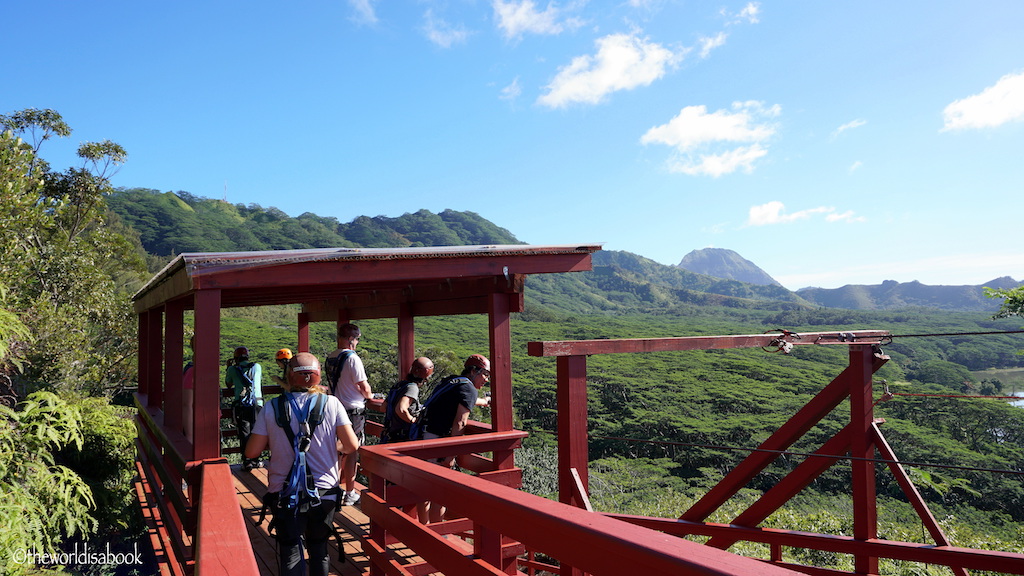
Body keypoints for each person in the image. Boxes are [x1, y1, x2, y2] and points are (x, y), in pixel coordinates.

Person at [245, 353, 359, 576]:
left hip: (284, 494)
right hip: (324, 493)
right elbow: (352, 445)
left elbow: (252, 451)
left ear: (289, 376)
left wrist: (279, 442)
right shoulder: (332, 403)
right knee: (319, 549)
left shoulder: (272, 407)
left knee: (290, 552)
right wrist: (331, 448)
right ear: (317, 377)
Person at [417, 354, 491, 523]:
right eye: (485, 374)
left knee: (425, 487)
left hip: (422, 437)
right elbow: (460, 422)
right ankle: (436, 535)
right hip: (438, 441)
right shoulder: (468, 389)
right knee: (440, 492)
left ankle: (423, 527)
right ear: (473, 371)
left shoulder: (452, 381)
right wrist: (451, 455)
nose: (486, 379)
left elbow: (461, 398)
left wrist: (484, 401)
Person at [325, 323, 371, 506]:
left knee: (335, 451)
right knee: (352, 451)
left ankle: (331, 489)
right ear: (352, 339)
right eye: (357, 339)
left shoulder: (330, 357)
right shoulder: (353, 358)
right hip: (353, 412)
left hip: (335, 408)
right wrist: (371, 396)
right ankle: (350, 492)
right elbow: (365, 388)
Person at [226, 345, 264, 471]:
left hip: (241, 405)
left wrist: (229, 367)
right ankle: (257, 459)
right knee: (258, 432)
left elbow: (229, 384)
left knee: (244, 433)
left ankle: (247, 461)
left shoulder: (232, 369)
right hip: (257, 404)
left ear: (235, 358)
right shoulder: (257, 367)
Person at [381, 357, 433, 444]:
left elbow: (383, 407)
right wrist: (413, 420)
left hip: (390, 433)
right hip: (402, 436)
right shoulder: (412, 388)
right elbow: (401, 409)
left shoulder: (399, 385)